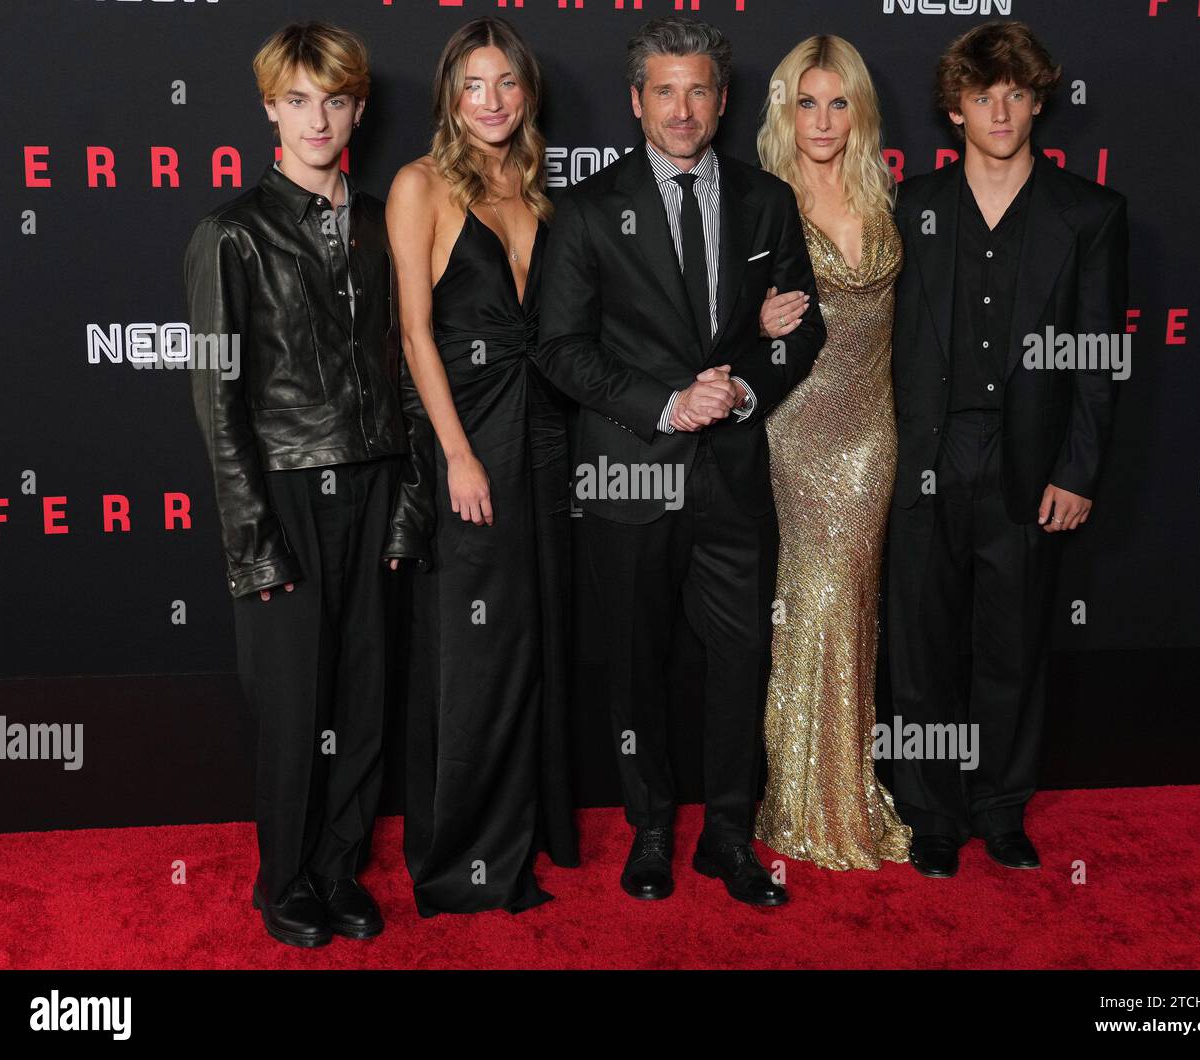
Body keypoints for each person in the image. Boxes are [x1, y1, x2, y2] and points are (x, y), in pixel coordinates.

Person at [538, 15, 826, 908]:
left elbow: (800, 325)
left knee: (741, 662)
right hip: (631, 476)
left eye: (698, 89)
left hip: (734, 476)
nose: (682, 107)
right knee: (639, 665)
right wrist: (667, 403)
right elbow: (559, 348)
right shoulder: (588, 210)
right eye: (664, 90)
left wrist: (741, 392)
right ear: (636, 102)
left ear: (723, 99)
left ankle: (730, 838)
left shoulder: (766, 201)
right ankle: (653, 831)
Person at [184, 21, 432, 947]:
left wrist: (409, 503)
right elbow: (217, 401)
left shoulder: (382, 225)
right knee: (296, 706)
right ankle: (283, 879)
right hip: (286, 492)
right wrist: (253, 544)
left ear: (358, 109)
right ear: (269, 112)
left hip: (377, 487)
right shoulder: (228, 235)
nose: (316, 118)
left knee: (365, 699)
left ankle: (338, 868)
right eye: (297, 100)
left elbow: (411, 365)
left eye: (334, 99)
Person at [887, 21, 1127, 877]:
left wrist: (1078, 467)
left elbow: (1099, 353)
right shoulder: (908, 207)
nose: (1001, 110)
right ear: (955, 108)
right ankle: (932, 815)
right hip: (927, 459)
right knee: (921, 650)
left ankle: (999, 807)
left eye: (1017, 94)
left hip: (1029, 468)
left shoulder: (1089, 216)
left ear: (1037, 103)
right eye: (984, 94)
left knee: (1014, 646)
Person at [384, 16, 579, 916]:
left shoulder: (539, 194)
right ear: (450, 99)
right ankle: (459, 859)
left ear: (526, 95)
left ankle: (514, 846)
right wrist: (457, 455)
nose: (493, 101)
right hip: (470, 435)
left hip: (542, 434)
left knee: (527, 644)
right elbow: (415, 337)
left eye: (507, 84)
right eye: (475, 85)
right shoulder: (419, 186)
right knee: (474, 651)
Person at [751, 35, 913, 871]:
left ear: (859, 109)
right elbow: (711, 309)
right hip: (796, 428)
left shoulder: (883, 196)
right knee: (808, 600)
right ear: (785, 110)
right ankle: (802, 802)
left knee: (852, 602)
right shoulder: (761, 198)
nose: (822, 119)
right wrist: (756, 320)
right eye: (806, 102)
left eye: (838, 101)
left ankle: (844, 790)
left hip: (871, 433)